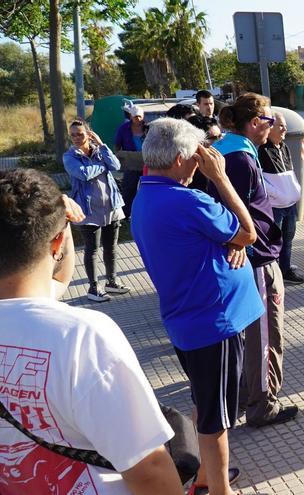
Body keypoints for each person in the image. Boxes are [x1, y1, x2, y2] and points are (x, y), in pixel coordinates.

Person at [0, 168, 181, 494]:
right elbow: (150, 468)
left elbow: (52, 283)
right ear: (58, 243)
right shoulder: (81, 336)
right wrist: (61, 227)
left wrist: (59, 229)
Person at [132, 118, 262, 495]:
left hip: (191, 321)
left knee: (206, 402)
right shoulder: (188, 201)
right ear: (177, 159)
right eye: (196, 158)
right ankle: (219, 490)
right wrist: (220, 178)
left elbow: (223, 239)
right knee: (215, 419)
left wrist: (230, 243)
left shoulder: (147, 194)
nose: (201, 163)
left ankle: (207, 476)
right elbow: (248, 232)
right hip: (213, 325)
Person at [210, 93, 299, 428]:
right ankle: (262, 405)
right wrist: (241, 245)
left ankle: (249, 396)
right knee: (264, 333)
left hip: (251, 256)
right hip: (257, 260)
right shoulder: (240, 160)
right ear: (252, 122)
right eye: (268, 119)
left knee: (252, 334)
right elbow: (232, 210)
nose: (273, 125)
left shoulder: (232, 151)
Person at [63, 119, 130, 303]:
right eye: (73, 135)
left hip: (111, 206)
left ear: (89, 134)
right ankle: (93, 288)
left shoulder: (99, 150)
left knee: (111, 247)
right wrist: (103, 166)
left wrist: (101, 145)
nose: (76, 138)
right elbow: (83, 174)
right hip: (88, 210)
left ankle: (112, 282)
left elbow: (116, 166)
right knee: (92, 249)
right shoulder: (69, 157)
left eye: (80, 134)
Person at [259, 112, 304, 285]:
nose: (284, 128)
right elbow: (260, 180)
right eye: (280, 125)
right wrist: (277, 194)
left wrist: (295, 190)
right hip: (275, 207)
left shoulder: (284, 147)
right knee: (274, 242)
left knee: (288, 240)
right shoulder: (262, 150)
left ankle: (285, 270)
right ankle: (273, 274)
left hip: (290, 205)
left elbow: (290, 173)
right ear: (270, 128)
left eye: (285, 125)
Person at [115, 100, 147, 219]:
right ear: (131, 116)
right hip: (131, 162)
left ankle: (143, 212)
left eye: (139, 116)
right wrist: (119, 155)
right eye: (135, 117)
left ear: (142, 116)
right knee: (129, 188)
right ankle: (126, 213)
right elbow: (117, 144)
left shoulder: (148, 128)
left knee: (145, 189)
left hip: (147, 163)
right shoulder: (123, 129)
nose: (137, 119)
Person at [186, 114, 223, 193]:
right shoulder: (188, 170)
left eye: (220, 136)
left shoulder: (223, 161)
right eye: (213, 138)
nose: (220, 141)